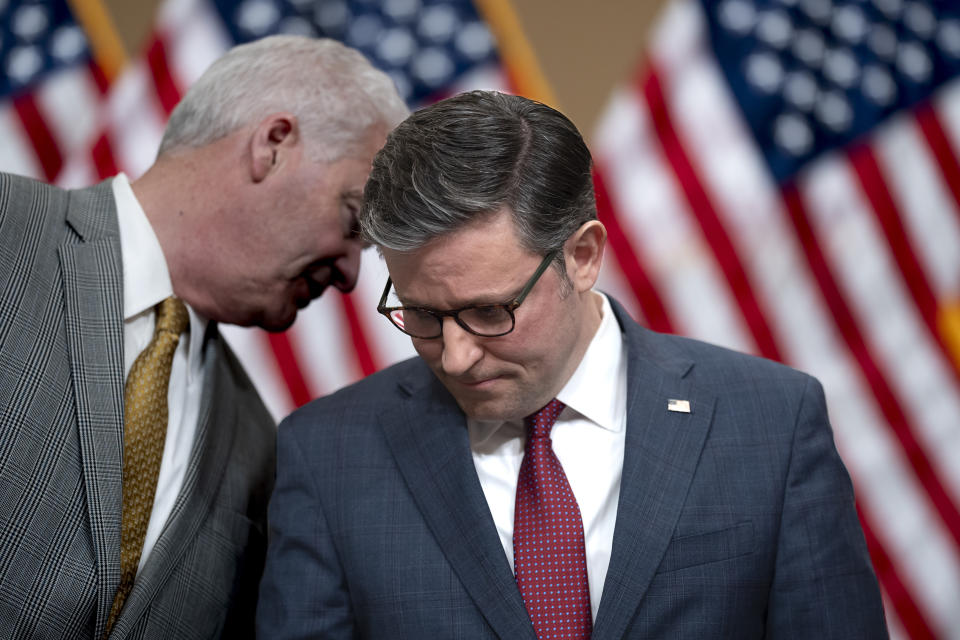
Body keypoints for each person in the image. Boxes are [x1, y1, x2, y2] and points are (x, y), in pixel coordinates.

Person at [256, 90, 887, 638]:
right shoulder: (328, 454)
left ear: (582, 256)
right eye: (421, 315)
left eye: (488, 310)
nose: (456, 355)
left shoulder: (770, 422)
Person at [0, 35, 407, 639]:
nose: (350, 275)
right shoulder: (10, 230)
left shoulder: (259, 448)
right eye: (352, 220)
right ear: (272, 145)